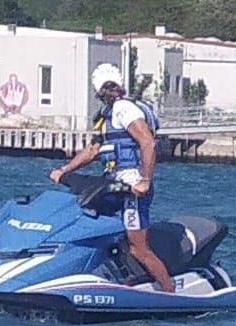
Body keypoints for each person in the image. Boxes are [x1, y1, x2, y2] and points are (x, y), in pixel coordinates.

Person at [51, 63, 172, 292]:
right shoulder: (107, 115)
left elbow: (147, 142)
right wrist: (65, 170)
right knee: (104, 231)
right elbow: (93, 151)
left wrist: (144, 180)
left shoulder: (124, 109)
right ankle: (126, 280)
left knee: (138, 247)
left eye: (108, 87)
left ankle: (170, 292)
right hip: (114, 185)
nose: (106, 92)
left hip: (132, 187)